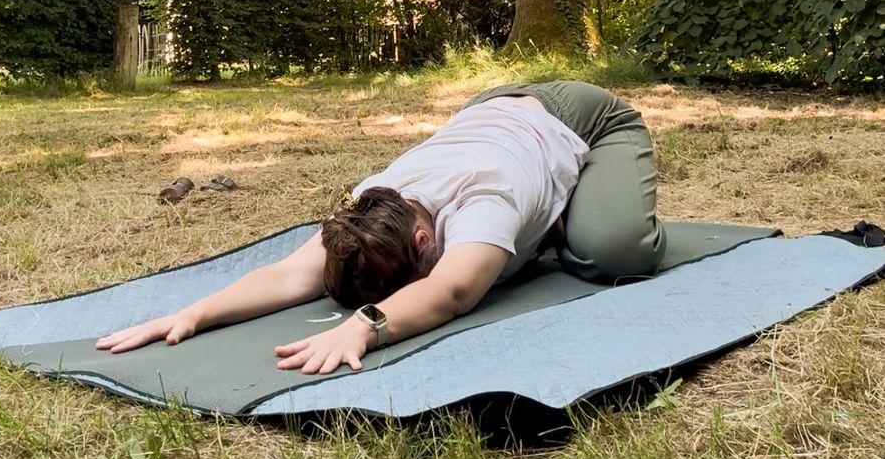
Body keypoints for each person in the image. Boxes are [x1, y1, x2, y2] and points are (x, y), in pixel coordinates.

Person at [96, 81, 666, 376]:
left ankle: (571, 193)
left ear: (424, 242)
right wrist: (191, 314)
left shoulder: (485, 199)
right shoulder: (370, 204)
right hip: (488, 111)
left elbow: (451, 292)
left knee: (613, 252)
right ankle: (550, 211)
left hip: (579, 115)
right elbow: (288, 276)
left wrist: (366, 328)